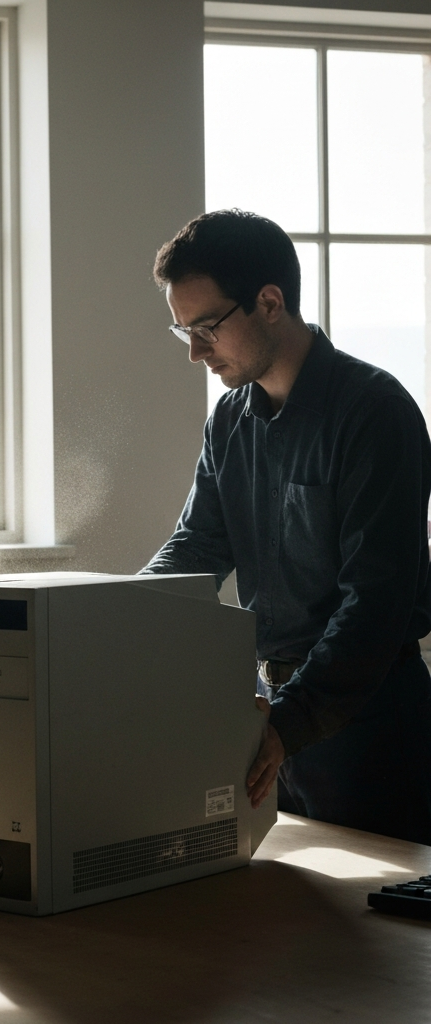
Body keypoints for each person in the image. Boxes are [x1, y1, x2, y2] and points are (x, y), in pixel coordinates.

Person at [142, 209, 431, 845]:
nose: (194, 352)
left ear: (270, 302)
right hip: (266, 722)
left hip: (367, 730)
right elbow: (196, 549)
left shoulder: (375, 414)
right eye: (181, 331)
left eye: (206, 328)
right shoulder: (229, 421)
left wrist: (287, 722)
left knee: (383, 935)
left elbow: (374, 605)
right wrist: (114, 617)